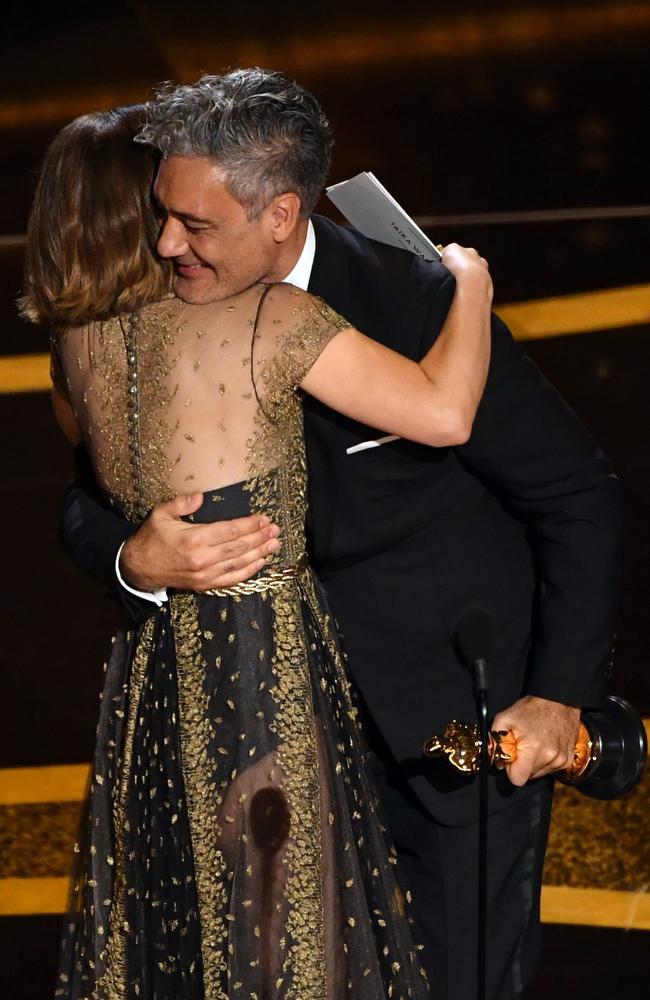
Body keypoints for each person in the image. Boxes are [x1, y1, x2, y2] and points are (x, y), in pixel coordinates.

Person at [51, 72, 622, 999]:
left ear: (280, 215)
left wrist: (561, 699)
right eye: (164, 214)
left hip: (447, 724)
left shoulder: (414, 301)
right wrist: (133, 559)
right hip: (271, 729)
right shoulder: (159, 302)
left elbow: (576, 493)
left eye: (196, 225)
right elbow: (86, 498)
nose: (166, 244)